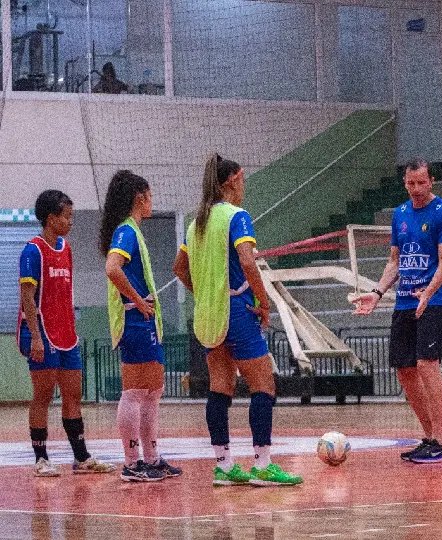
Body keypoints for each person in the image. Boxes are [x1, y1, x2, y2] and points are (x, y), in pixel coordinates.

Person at [173, 154, 302, 487]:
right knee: (264, 385)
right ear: (232, 180)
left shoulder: (196, 223)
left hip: (209, 313)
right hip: (237, 310)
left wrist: (205, 293)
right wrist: (263, 301)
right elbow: (247, 261)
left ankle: (224, 465)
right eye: (242, 179)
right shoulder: (236, 216)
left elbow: (179, 269)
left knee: (220, 387)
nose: (244, 186)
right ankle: (262, 465)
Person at [353, 158, 442, 464]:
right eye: (410, 183)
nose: (416, 188)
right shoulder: (400, 214)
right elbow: (395, 261)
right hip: (404, 301)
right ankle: (429, 437)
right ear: (405, 183)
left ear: (431, 181)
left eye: (421, 182)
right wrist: (377, 293)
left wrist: (428, 291)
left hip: (434, 300)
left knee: (427, 364)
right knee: (404, 368)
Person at [17, 190, 116, 477]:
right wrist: (36, 337)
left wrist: (72, 326)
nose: (71, 222)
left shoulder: (66, 248)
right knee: (43, 395)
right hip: (41, 333)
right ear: (51, 219)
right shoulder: (32, 251)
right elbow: (27, 297)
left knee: (74, 393)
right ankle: (41, 459)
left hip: (66, 334)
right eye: (67, 217)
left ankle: (81, 457)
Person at [100, 171, 183, 482]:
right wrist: (137, 299)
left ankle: (151, 458)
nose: (152, 202)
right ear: (140, 197)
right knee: (135, 392)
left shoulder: (133, 230)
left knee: (152, 392)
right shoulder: (126, 231)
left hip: (145, 319)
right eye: (150, 195)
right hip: (134, 319)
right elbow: (112, 268)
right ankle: (132, 463)